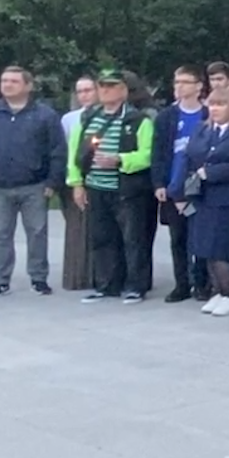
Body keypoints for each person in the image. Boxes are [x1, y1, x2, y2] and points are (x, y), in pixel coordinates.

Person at [0, 66, 66, 298]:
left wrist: (53, 180)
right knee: (0, 234)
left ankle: (39, 278)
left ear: (28, 86)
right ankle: (0, 280)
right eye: (4, 81)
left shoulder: (45, 115)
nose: (7, 85)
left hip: (34, 185)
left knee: (37, 232)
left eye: (14, 81)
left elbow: (57, 150)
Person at [67, 69, 156, 303]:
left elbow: (148, 154)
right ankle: (107, 284)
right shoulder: (88, 119)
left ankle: (136, 285)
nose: (105, 90)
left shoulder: (138, 120)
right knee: (101, 238)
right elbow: (75, 153)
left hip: (127, 189)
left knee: (133, 239)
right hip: (96, 187)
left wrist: (121, 160)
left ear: (123, 90)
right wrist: (77, 183)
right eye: (102, 86)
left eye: (111, 86)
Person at [176, 89, 229, 318]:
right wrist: (181, 192)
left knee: (221, 248)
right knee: (204, 247)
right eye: (212, 104)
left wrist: (213, 172)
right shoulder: (203, 129)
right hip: (203, 198)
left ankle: (227, 294)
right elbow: (189, 157)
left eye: (221, 104)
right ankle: (218, 291)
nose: (214, 109)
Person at [152, 67, 210, 303]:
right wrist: (159, 183)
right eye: (177, 82)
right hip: (174, 187)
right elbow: (158, 153)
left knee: (202, 236)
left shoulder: (208, 114)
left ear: (198, 86)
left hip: (201, 187)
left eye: (186, 82)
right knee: (178, 238)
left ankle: (203, 283)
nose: (180, 86)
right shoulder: (166, 117)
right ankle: (182, 283)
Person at [60, 74, 97, 291]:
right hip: (76, 178)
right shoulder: (69, 119)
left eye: (88, 90)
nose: (84, 95)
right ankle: (78, 275)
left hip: (99, 177)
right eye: (80, 91)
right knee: (77, 230)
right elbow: (67, 150)